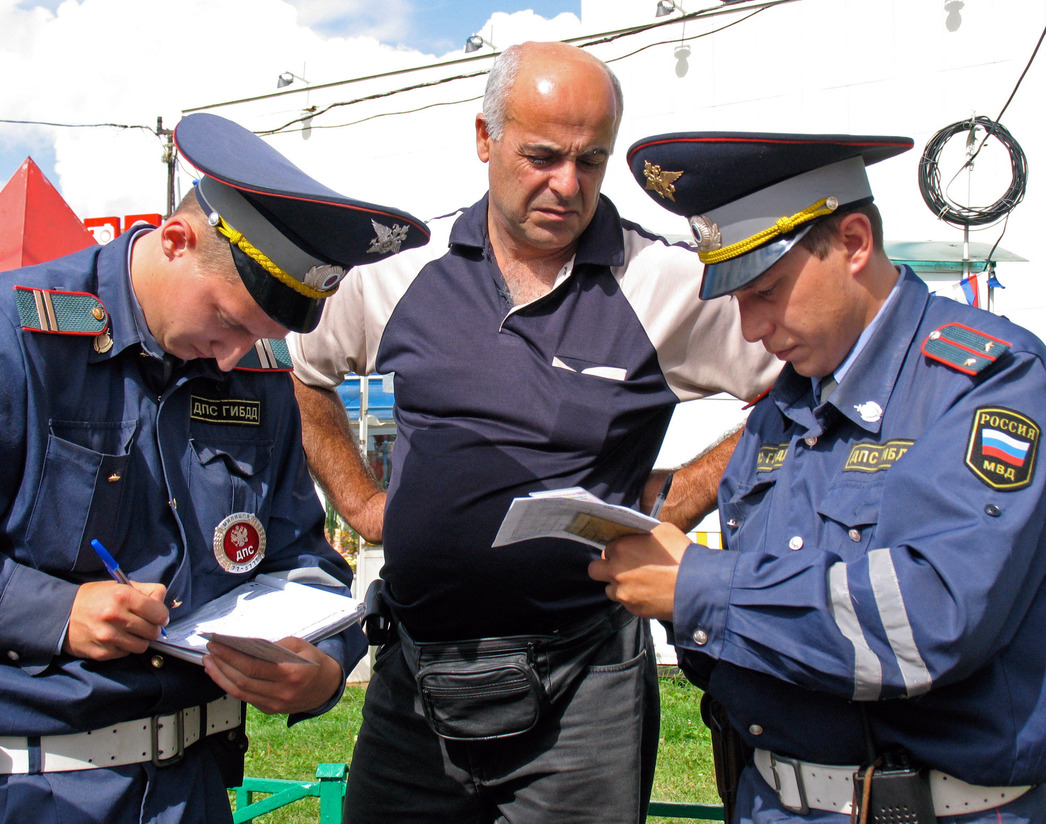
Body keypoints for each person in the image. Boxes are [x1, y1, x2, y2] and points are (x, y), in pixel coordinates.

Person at [288, 43, 780, 823]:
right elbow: (307, 368)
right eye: (542, 156)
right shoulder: (400, 275)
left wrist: (678, 500)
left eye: (592, 161)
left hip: (585, 685)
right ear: (484, 139)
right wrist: (360, 501)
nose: (567, 184)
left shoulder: (663, 282)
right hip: (415, 676)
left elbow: (794, 384)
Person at [590, 130, 1046, 824]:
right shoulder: (783, 409)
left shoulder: (992, 385)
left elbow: (931, 621)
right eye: (735, 300)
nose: (750, 329)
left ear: (855, 243)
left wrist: (701, 590)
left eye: (766, 291)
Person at [0, 112, 428, 824]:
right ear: (175, 241)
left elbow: (303, 558)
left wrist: (323, 668)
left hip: (195, 791)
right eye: (228, 324)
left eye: (260, 338)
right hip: (39, 792)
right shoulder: (20, 344)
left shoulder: (258, 375)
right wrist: (58, 613)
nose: (234, 359)